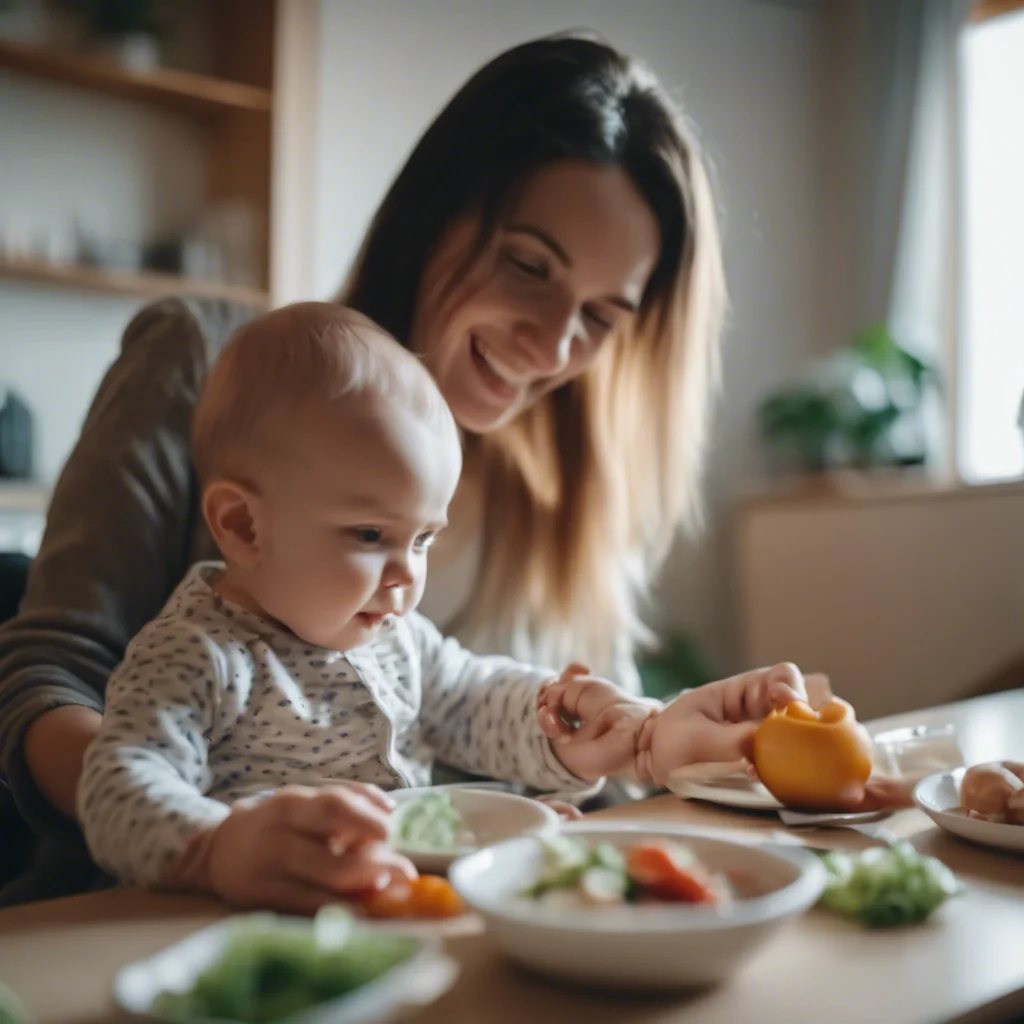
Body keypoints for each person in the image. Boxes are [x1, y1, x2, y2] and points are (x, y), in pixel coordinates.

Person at [0, 32, 734, 904]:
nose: (551, 346)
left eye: (603, 315)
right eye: (528, 264)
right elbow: (57, 683)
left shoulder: (535, 525)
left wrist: (638, 737)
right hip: (154, 914)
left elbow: (472, 698)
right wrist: (209, 837)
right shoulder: (202, 618)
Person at [78, 303, 808, 912]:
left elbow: (471, 697)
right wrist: (215, 849)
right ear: (243, 526)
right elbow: (116, 786)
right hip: (235, 930)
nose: (406, 575)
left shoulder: (392, 637)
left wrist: (566, 729)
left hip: (393, 914)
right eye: (370, 536)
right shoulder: (195, 655)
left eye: (423, 538)